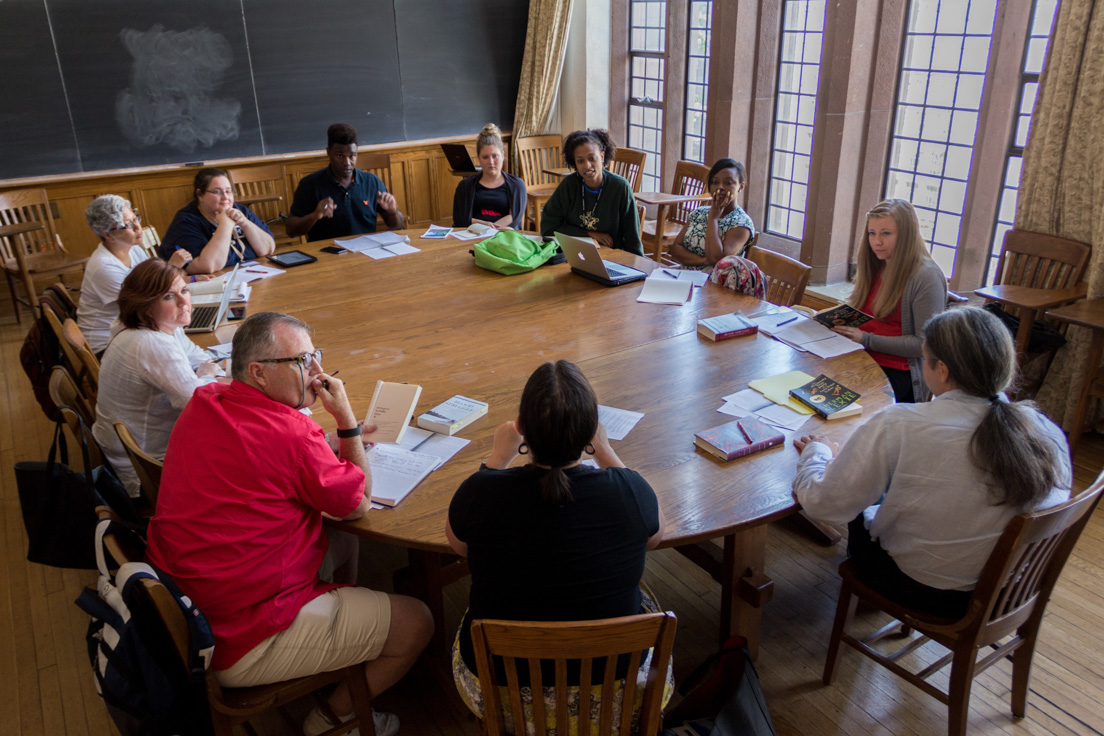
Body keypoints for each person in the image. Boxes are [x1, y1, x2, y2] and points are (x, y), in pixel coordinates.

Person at [146, 312, 432, 736]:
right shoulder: (293, 435)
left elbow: (264, 459)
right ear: (258, 373)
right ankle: (331, 719)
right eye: (301, 361)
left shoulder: (207, 400)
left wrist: (325, 446)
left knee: (335, 536)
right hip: (240, 636)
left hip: (193, 602)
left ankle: (343, 645)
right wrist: (348, 423)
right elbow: (358, 503)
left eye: (315, 357)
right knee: (418, 621)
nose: (316, 373)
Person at [793, 307, 1071, 618]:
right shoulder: (1045, 429)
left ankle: (870, 603)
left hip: (928, 592)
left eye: (924, 359)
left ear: (942, 369)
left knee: (864, 492)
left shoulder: (899, 424)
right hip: (1011, 592)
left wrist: (816, 454)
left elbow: (824, 505)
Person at [446, 360, 666, 726]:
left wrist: (499, 456)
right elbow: (655, 537)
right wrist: (606, 449)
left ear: (520, 428)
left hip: (504, 690)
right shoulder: (629, 491)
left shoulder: (479, 492)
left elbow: (459, 546)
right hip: (616, 689)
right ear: (590, 430)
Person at [90, 259, 222, 498]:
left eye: (184, 290)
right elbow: (196, 403)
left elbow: (191, 352)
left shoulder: (150, 324)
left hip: (121, 453)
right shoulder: (151, 343)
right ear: (145, 305)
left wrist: (213, 368)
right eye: (168, 297)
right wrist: (206, 375)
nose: (184, 302)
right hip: (143, 472)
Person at [833, 199, 947, 402]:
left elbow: (924, 343)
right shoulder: (876, 262)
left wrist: (865, 339)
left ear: (906, 235)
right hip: (858, 355)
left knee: (839, 406)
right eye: (872, 233)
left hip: (897, 370)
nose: (877, 241)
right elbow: (862, 311)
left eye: (886, 233)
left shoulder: (925, 277)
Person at [77, 195, 191, 356]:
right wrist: (171, 268)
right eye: (128, 225)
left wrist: (191, 279)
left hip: (136, 328)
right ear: (108, 235)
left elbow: (154, 288)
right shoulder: (104, 267)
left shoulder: (132, 247)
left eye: (135, 218)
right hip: (107, 345)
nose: (138, 227)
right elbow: (148, 304)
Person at [287, 123, 406, 241]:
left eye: (352, 156)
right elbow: (291, 230)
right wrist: (314, 216)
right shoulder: (309, 185)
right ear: (328, 152)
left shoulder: (372, 182)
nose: (347, 163)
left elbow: (397, 225)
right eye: (340, 156)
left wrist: (393, 212)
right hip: (328, 254)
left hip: (366, 252)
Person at [540, 129, 643, 256]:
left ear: (602, 157)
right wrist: (588, 234)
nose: (587, 165)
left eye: (592, 158)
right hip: (574, 255)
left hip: (611, 257)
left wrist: (637, 267)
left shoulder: (620, 187)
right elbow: (548, 228)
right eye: (580, 161)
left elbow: (632, 238)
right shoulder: (569, 185)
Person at [159, 167, 275, 273]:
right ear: (200, 195)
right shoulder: (186, 221)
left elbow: (268, 249)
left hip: (249, 275)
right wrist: (225, 225)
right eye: (217, 192)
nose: (225, 197)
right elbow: (208, 266)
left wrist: (245, 223)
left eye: (228, 191)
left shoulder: (240, 211)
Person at [669, 158, 756, 270]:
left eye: (728, 183)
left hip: (713, 284)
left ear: (741, 186)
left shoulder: (741, 223)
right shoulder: (700, 212)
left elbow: (718, 261)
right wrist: (705, 260)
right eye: (715, 182)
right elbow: (676, 250)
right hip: (683, 277)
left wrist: (713, 219)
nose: (720, 187)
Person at [452, 123, 527, 230]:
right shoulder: (465, 186)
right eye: (485, 157)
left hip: (504, 235)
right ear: (478, 158)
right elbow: (460, 219)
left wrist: (492, 230)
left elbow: (514, 217)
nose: (491, 162)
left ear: (502, 155)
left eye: (495, 156)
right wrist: (483, 226)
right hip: (474, 234)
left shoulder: (517, 185)